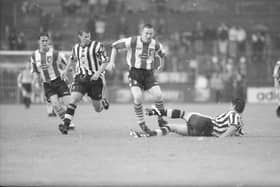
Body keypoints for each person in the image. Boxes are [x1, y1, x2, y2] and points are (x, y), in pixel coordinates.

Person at [107, 24, 167, 133]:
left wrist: (161, 66)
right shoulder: (133, 41)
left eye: (151, 34)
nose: (149, 36)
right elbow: (114, 46)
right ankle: (142, 123)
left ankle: (161, 119)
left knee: (158, 95)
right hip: (135, 73)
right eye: (146, 33)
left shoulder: (156, 44)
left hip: (149, 74)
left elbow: (162, 55)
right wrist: (111, 61)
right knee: (138, 97)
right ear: (141, 33)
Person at [58, 28, 110, 135]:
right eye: (85, 37)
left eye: (89, 36)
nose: (87, 39)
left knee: (97, 109)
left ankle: (103, 102)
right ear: (80, 36)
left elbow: (106, 60)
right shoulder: (75, 48)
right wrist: (65, 70)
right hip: (80, 78)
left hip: (95, 80)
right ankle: (66, 126)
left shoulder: (97, 46)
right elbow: (72, 60)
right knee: (73, 100)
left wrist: (98, 73)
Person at [130, 98, 246, 138]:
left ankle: (158, 112)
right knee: (172, 127)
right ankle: (150, 134)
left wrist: (222, 138)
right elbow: (236, 130)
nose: (229, 106)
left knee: (183, 114)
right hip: (204, 133)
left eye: (231, 105)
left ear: (234, 106)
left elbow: (233, 127)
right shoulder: (239, 120)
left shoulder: (234, 114)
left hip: (206, 123)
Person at [30, 32, 75, 129]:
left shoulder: (55, 53)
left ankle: (67, 120)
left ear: (49, 41)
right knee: (56, 105)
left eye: (46, 40)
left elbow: (66, 65)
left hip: (59, 81)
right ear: (39, 42)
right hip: (47, 84)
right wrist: (35, 80)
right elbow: (34, 70)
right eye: (43, 40)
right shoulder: (34, 56)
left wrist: (68, 72)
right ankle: (67, 123)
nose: (45, 42)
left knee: (69, 104)